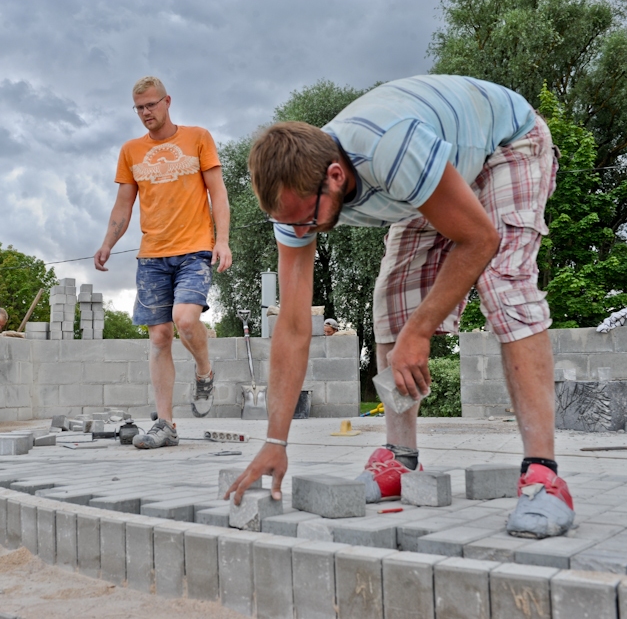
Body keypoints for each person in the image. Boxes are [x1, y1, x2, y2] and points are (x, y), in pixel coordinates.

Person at [226, 75, 573, 539]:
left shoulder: (390, 148)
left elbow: (480, 239)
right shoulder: (296, 204)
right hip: (433, 173)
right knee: (392, 301)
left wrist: (420, 332)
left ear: (334, 175)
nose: (301, 232)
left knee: (505, 287)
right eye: (291, 224)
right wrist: (275, 441)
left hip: (506, 145)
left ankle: (544, 477)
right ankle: (399, 457)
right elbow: (291, 326)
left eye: (308, 220)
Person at [94, 76, 232, 449]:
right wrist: (108, 242)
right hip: (152, 254)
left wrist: (223, 241)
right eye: (139, 107)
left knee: (185, 319)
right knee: (159, 336)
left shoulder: (198, 137)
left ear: (167, 101)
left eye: (151, 105)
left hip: (194, 248)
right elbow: (124, 204)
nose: (145, 113)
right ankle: (166, 424)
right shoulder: (131, 151)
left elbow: (217, 192)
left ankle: (204, 370)